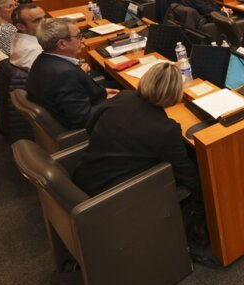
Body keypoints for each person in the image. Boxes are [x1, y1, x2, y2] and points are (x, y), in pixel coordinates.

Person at [73, 62, 201, 199]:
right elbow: (185, 173)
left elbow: (90, 128)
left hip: (83, 177)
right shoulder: (166, 129)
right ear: (176, 93)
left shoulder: (124, 96)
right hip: (112, 197)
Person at [26, 18, 118, 129]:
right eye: (78, 36)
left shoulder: (42, 60)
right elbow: (83, 119)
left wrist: (102, 92)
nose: (83, 40)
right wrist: (113, 101)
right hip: (92, 127)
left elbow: (75, 93)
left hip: (83, 105)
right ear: (62, 44)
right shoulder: (64, 74)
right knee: (129, 96)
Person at [9, 4, 46, 70]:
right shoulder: (35, 51)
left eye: (44, 17)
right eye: (37, 20)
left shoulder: (17, 36)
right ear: (21, 27)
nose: (45, 22)